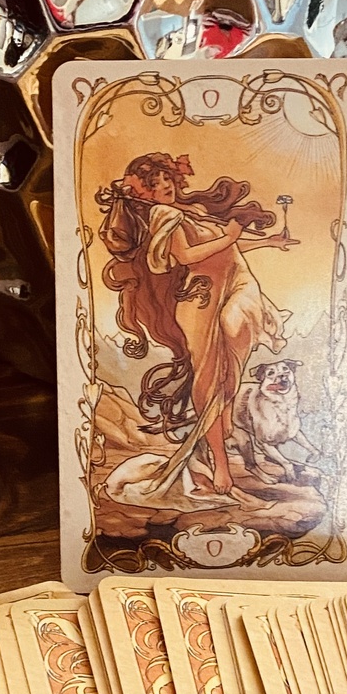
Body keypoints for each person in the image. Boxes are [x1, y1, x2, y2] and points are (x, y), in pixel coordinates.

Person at [98, 151, 297, 499]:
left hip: (232, 284)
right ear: (144, 191)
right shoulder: (163, 214)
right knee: (209, 378)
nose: (165, 187)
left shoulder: (192, 210)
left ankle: (223, 427)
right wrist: (230, 236)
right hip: (201, 298)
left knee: (231, 367)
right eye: (155, 184)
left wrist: (268, 241)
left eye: (167, 179)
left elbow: (224, 247)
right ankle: (221, 462)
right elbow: (187, 256)